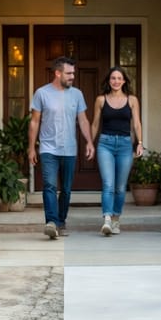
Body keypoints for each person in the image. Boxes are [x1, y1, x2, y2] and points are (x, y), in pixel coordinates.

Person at [27, 56, 95, 239]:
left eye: (73, 73)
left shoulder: (77, 94)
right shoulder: (42, 93)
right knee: (49, 185)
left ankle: (61, 221)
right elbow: (34, 122)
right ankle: (51, 222)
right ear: (58, 73)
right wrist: (31, 148)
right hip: (48, 148)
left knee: (65, 189)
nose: (72, 76)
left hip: (69, 149)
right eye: (69, 73)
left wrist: (89, 141)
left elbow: (83, 120)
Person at [90, 66, 144, 236]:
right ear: (109, 80)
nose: (116, 81)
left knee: (120, 187)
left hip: (125, 145)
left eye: (119, 78)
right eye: (113, 78)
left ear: (124, 81)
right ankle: (107, 219)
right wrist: (90, 143)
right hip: (105, 144)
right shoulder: (101, 100)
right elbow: (95, 124)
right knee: (108, 184)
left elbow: (137, 124)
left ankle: (115, 219)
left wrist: (140, 143)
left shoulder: (132, 100)